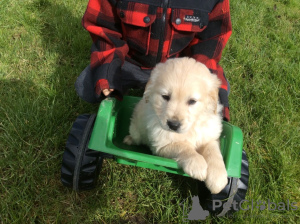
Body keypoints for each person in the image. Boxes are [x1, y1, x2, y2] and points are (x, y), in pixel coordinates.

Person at [75, 0, 232, 121]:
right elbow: (105, 32)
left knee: (215, 95)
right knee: (86, 85)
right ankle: (119, 95)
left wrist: (213, 100)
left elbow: (209, 44)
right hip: (131, 62)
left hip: (176, 70)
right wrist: (108, 76)